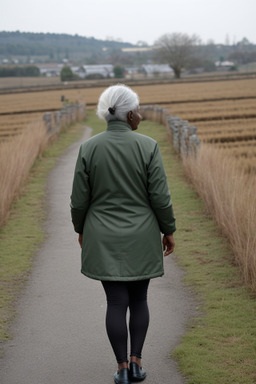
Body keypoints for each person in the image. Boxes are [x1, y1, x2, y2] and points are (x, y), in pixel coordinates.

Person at [70, 84, 176, 384]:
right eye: (138, 110)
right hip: (142, 236)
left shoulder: (89, 148)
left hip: (102, 237)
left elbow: (79, 201)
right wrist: (168, 229)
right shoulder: (148, 146)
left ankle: (120, 369)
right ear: (129, 114)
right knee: (139, 299)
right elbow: (160, 198)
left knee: (116, 303)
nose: (140, 115)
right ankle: (137, 363)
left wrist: (81, 230)